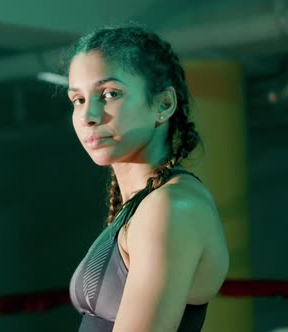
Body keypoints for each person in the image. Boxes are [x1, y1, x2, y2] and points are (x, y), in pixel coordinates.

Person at [65, 24, 230, 332]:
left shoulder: (172, 207)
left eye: (110, 94)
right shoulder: (144, 204)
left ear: (163, 104)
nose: (89, 116)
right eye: (78, 99)